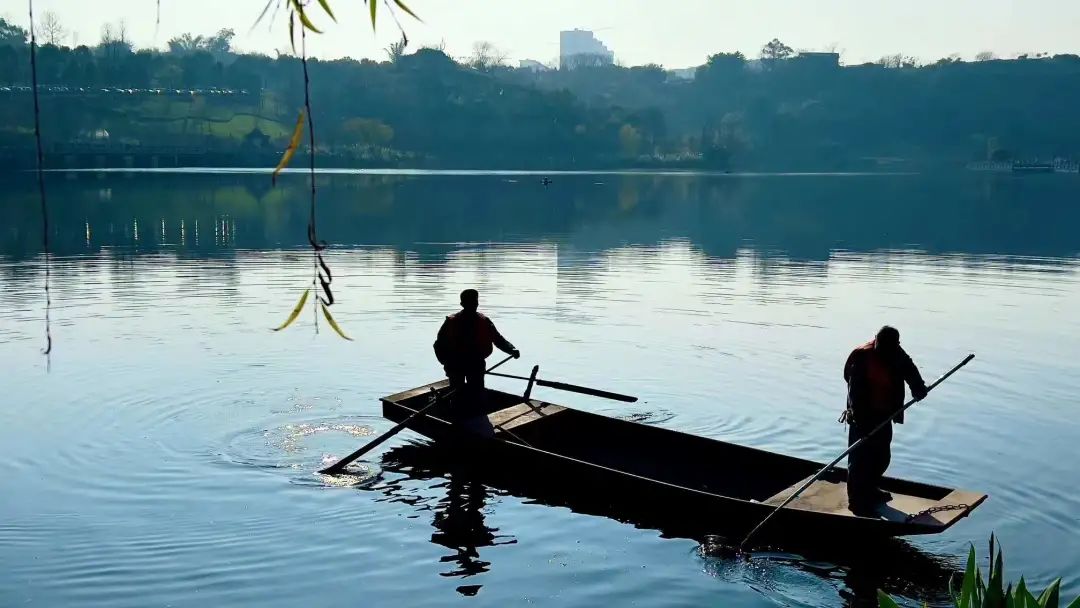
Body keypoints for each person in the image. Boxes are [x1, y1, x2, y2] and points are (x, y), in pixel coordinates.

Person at [842, 326, 928, 512]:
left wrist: (918, 387)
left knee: (881, 457)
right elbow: (854, 392)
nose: (883, 350)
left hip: (884, 413)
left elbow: (909, 369)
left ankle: (871, 489)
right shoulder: (862, 357)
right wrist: (859, 419)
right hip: (862, 415)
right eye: (880, 345)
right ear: (876, 340)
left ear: (896, 345)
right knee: (859, 460)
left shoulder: (896, 352)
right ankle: (856, 501)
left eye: (889, 347)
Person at [433, 289, 520, 417]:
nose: (474, 304)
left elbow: (498, 339)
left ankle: (476, 420)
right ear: (462, 304)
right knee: (458, 395)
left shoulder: (483, 321)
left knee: (477, 394)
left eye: (475, 301)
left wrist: (511, 349)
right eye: (470, 302)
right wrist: (445, 363)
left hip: (476, 364)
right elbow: (438, 345)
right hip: (456, 365)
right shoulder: (451, 322)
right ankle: (458, 421)